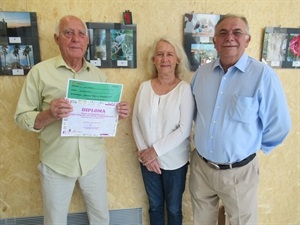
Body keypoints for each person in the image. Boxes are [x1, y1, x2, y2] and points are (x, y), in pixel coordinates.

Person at [14, 15, 130, 225]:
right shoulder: (40, 73)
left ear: (87, 41)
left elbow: (103, 118)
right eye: (68, 33)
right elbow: (21, 118)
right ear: (57, 39)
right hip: (56, 163)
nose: (75, 39)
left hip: (93, 161)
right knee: (55, 221)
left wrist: (117, 113)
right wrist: (49, 114)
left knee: (101, 218)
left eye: (81, 34)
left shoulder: (97, 76)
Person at [189, 13, 291, 225]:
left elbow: (279, 125)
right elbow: (196, 114)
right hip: (202, 169)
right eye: (223, 33)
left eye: (237, 32)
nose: (230, 38)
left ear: (247, 39)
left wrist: (247, 151)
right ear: (215, 41)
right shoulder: (201, 74)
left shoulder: (263, 76)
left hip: (239, 173)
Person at [132, 36, 195, 225]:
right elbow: (135, 120)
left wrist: (155, 151)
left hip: (175, 162)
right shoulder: (144, 88)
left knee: (174, 208)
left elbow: (184, 130)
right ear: (154, 59)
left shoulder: (184, 90)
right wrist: (145, 153)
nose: (164, 59)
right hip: (147, 161)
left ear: (177, 60)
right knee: (155, 206)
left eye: (169, 54)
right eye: (160, 54)